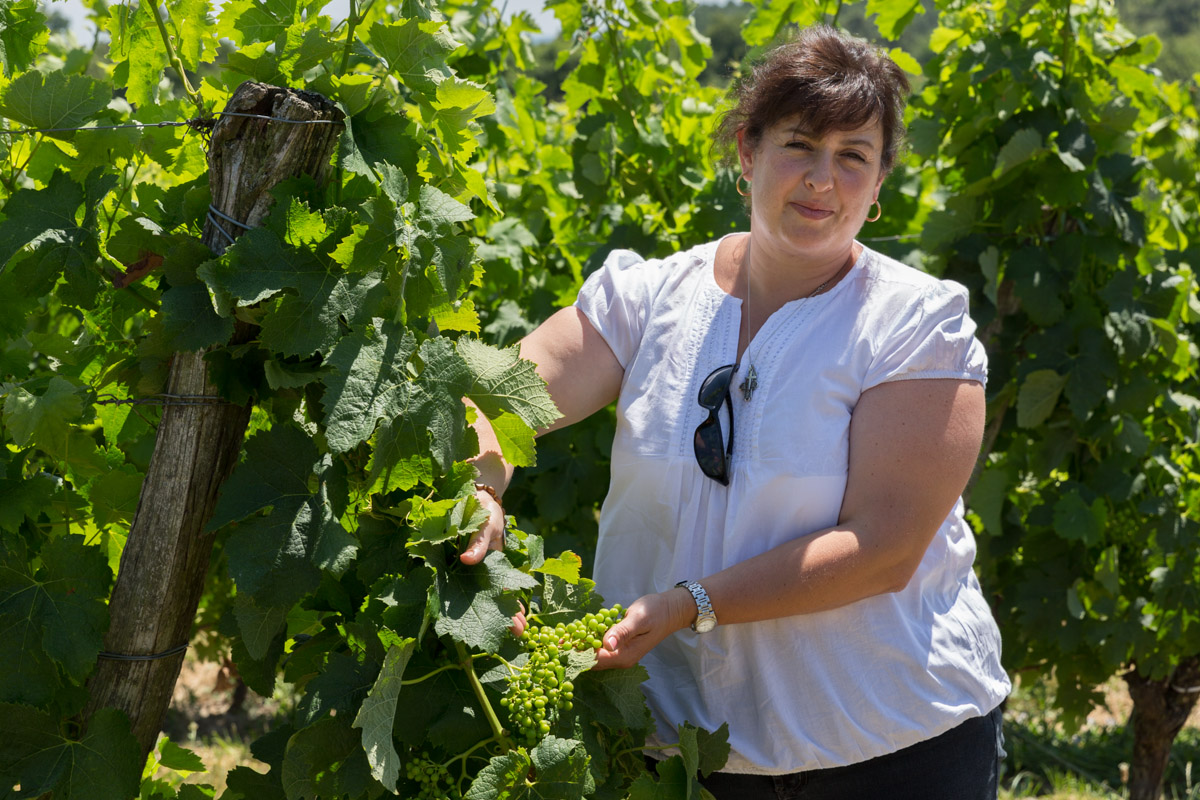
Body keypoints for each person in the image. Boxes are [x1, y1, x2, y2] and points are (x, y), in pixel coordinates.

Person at [461, 24, 1011, 800]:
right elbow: (499, 398)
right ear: (748, 152)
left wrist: (692, 605)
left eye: (853, 156)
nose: (823, 178)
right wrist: (482, 483)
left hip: (892, 743)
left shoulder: (916, 326)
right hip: (684, 751)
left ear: (879, 183)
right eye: (799, 145)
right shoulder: (648, 298)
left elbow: (885, 547)